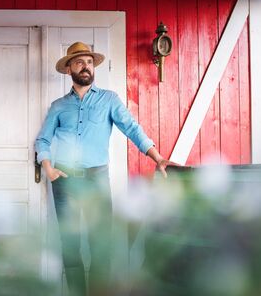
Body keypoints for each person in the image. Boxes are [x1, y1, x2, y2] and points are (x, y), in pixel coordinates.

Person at [35, 42, 171, 295]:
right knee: (70, 244)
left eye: (88, 62)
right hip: (63, 181)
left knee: (100, 243)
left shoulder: (110, 100)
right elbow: (42, 140)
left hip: (96, 180)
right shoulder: (58, 106)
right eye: (78, 62)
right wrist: (48, 168)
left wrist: (158, 157)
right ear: (69, 70)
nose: (85, 66)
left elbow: (132, 128)